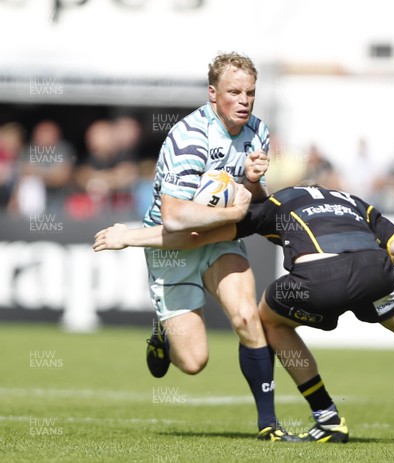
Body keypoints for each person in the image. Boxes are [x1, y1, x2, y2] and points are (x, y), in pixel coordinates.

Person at [93, 185, 394, 448]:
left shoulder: (276, 206)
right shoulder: (358, 206)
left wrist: (129, 237)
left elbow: (191, 236)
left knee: (266, 321)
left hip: (316, 280)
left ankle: (327, 417)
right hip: (376, 272)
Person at [112, 52, 297, 442]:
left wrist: (252, 184)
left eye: (250, 92)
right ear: (213, 94)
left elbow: (257, 199)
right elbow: (175, 219)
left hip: (216, 240)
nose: (244, 100)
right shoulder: (189, 137)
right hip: (172, 246)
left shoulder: (258, 131)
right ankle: (163, 337)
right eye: (234, 92)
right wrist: (234, 213)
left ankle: (268, 424)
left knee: (248, 316)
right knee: (195, 362)